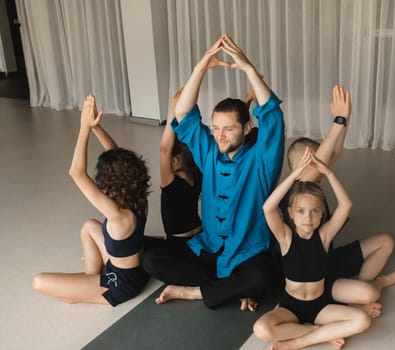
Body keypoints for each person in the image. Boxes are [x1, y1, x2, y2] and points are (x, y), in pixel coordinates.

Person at [153, 34, 285, 311]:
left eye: (228, 128)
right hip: (208, 247)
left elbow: (272, 117)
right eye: (215, 128)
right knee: (151, 259)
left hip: (247, 252)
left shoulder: (261, 160)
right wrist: (201, 66)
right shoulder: (209, 151)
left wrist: (248, 68)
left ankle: (197, 292)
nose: (220, 136)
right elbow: (184, 114)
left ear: (247, 128)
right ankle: (232, 288)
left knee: (264, 278)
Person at [286, 85, 395, 317]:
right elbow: (322, 159)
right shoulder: (293, 193)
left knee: (386, 242)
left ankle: (360, 291)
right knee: (367, 293)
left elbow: (333, 155)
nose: (324, 163)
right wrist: (338, 120)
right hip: (313, 277)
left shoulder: (316, 184)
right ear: (300, 166)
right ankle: (375, 286)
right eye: (315, 161)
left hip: (328, 259)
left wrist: (346, 120)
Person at [32, 95, 151, 306]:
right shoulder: (137, 197)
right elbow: (115, 153)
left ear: (110, 185)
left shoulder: (117, 214)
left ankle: (84, 289)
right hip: (132, 271)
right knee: (88, 226)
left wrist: (84, 128)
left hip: (120, 285)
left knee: (38, 281)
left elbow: (76, 173)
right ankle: (87, 281)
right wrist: (96, 126)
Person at [253, 148, 370, 350]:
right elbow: (267, 208)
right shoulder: (285, 237)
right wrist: (294, 175)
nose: (307, 218)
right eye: (301, 211)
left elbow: (345, 205)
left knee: (363, 320)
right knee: (261, 329)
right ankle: (318, 331)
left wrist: (329, 173)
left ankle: (299, 341)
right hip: (290, 307)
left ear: (322, 214)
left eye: (314, 211)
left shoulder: (324, 236)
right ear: (290, 213)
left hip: (320, 305)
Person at [142, 87, 204, 285]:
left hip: (179, 244)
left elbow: (164, 148)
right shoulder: (198, 175)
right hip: (201, 236)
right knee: (139, 241)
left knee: (144, 257)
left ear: (175, 160)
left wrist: (172, 111)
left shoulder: (171, 182)